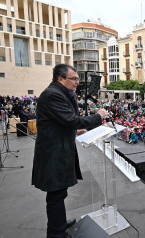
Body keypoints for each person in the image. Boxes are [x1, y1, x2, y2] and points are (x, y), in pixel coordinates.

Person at [32, 64, 108, 238]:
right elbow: (72, 119)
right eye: (73, 79)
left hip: (57, 151)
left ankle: (58, 223)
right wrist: (98, 116)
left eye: (77, 78)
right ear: (60, 79)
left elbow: (61, 122)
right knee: (56, 195)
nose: (77, 82)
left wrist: (73, 131)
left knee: (59, 193)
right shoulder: (53, 95)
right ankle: (56, 233)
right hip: (53, 154)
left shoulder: (58, 93)